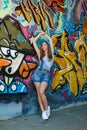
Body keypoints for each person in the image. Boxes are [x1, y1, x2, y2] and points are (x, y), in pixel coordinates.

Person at [31, 30, 54, 120]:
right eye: (42, 45)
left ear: (47, 46)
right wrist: (40, 34)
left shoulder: (51, 53)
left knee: (42, 92)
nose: (43, 46)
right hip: (37, 74)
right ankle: (43, 112)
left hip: (46, 75)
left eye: (45, 44)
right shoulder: (40, 53)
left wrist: (45, 35)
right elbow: (34, 42)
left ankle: (46, 108)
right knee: (39, 93)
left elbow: (51, 40)